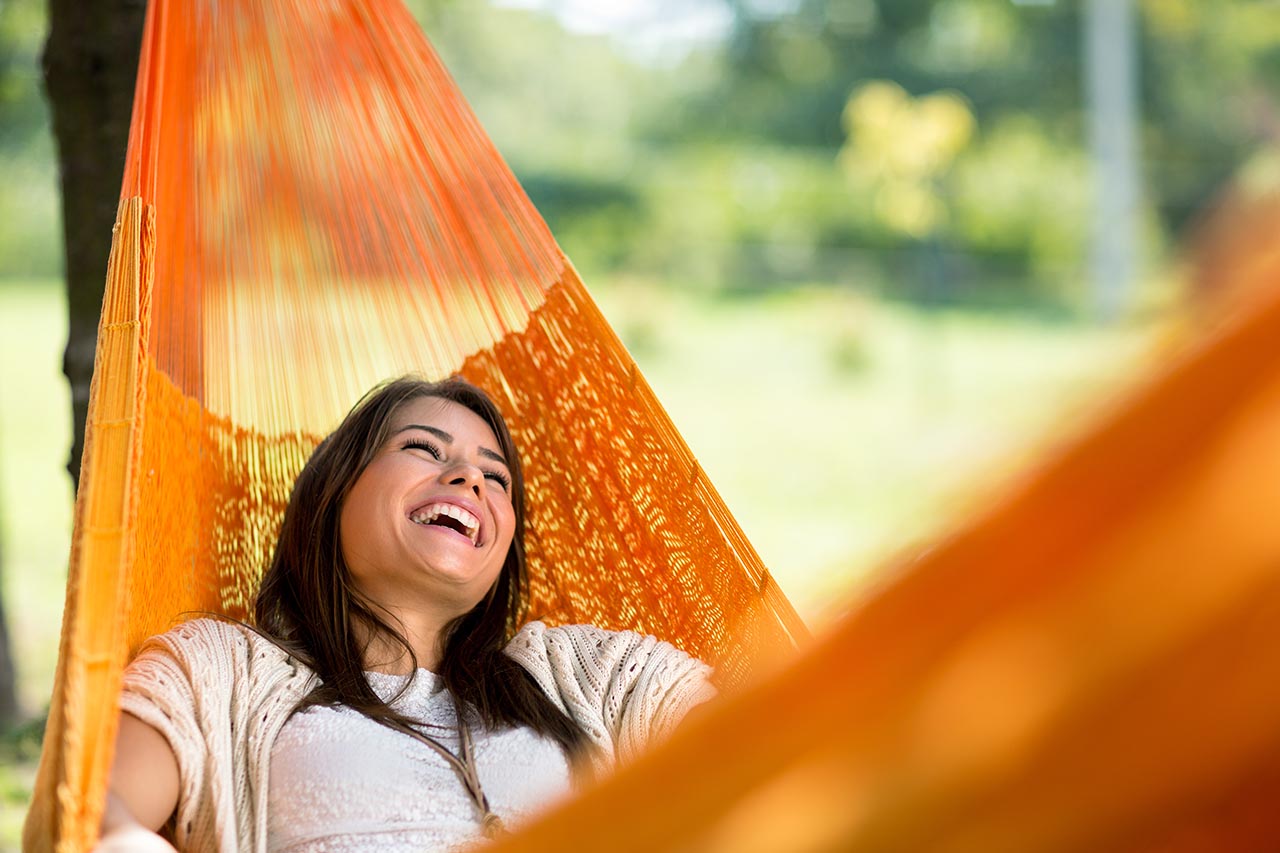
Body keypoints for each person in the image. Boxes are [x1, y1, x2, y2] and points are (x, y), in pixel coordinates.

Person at [96, 376, 716, 852]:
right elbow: (97, 811)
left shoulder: (592, 676)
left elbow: (767, 746)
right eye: (424, 447)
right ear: (333, 491)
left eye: (495, 479)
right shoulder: (222, 669)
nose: (469, 477)